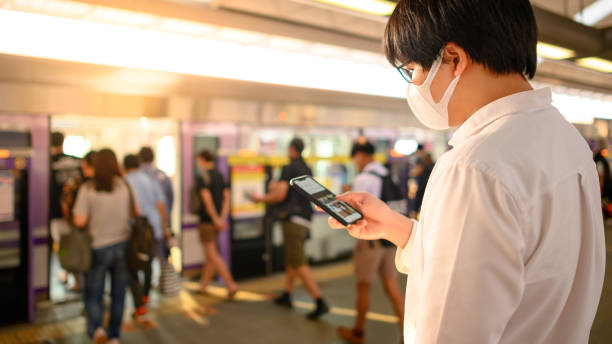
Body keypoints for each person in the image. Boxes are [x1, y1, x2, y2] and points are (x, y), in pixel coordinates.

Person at [329, 1, 605, 343]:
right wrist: (401, 229)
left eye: (412, 68)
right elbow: (518, 265)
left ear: (454, 58)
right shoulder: (566, 141)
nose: (413, 85)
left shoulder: (473, 168)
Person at [250, 138, 330, 320]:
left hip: (293, 220)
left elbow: (280, 195)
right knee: (292, 260)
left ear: (292, 149)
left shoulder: (289, 168)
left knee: (299, 262)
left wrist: (260, 198)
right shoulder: (307, 168)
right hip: (306, 219)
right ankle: (287, 294)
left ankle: (319, 301)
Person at [337, 140, 404, 344]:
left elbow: (355, 213)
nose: (355, 162)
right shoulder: (386, 174)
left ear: (360, 155)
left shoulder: (365, 178)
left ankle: (358, 333)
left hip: (371, 241)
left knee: (364, 285)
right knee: (392, 286)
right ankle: (407, 333)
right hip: (390, 240)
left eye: (355, 158)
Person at [73, 149, 131, 344]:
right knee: (119, 294)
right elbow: (135, 212)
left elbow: (79, 221)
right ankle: (114, 335)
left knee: (93, 292)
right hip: (122, 246)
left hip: (97, 247)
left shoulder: (88, 189)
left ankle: (97, 330)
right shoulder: (124, 185)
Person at [124, 154, 170, 323]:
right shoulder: (150, 179)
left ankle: (139, 305)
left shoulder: (125, 181)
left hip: (134, 232)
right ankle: (145, 296)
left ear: (125, 166)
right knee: (149, 262)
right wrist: (165, 227)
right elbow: (160, 204)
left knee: (133, 266)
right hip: (152, 229)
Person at [195, 150, 238, 298]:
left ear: (201, 159)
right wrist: (222, 218)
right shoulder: (220, 176)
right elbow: (227, 198)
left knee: (213, 255)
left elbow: (207, 202)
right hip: (218, 221)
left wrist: (215, 219)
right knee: (210, 256)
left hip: (208, 222)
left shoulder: (203, 177)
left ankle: (230, 284)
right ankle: (203, 286)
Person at [49, 132, 83, 291]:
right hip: (78, 214)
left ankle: (68, 274)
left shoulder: (48, 162)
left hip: (57, 215)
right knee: (75, 246)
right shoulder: (77, 161)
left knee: (62, 248)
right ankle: (74, 278)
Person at [139, 147, 173, 222]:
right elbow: (170, 197)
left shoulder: (137, 176)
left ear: (139, 158)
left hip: (143, 221)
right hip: (161, 218)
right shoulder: (162, 175)